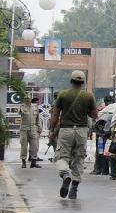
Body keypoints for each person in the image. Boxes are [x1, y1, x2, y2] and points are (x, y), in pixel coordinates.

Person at [49, 70, 98, 200]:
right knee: (78, 159)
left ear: (71, 81)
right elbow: (94, 115)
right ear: (83, 82)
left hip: (66, 130)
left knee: (62, 156)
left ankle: (65, 175)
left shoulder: (63, 95)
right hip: (82, 131)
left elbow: (55, 114)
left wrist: (51, 131)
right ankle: (74, 189)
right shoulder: (89, 96)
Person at [18, 96, 42, 168]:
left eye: (29, 99)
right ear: (24, 100)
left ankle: (33, 162)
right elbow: (20, 112)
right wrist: (21, 111)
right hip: (24, 129)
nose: (27, 100)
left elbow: (37, 119)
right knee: (24, 146)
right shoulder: (22, 107)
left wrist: (39, 127)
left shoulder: (35, 107)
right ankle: (23, 162)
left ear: (30, 99)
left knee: (34, 146)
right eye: (26, 99)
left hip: (33, 129)